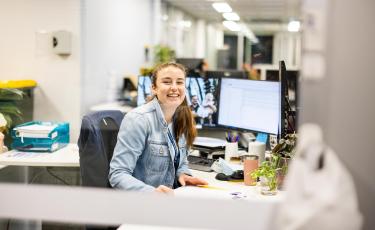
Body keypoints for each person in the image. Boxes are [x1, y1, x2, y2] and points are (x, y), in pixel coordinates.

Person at [109, 62, 208, 194]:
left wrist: (183, 175)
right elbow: (117, 174)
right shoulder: (138, 120)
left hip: (169, 201)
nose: (174, 88)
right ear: (154, 88)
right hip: (144, 205)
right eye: (167, 82)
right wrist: (152, 193)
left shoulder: (181, 118)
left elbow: (181, 162)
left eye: (179, 82)